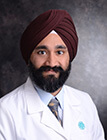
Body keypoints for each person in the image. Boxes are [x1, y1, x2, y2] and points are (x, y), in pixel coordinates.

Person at [0, 9, 105, 140]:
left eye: (59, 52)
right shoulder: (5, 111)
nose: (51, 62)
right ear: (29, 58)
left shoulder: (85, 102)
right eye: (42, 52)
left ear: (69, 57)